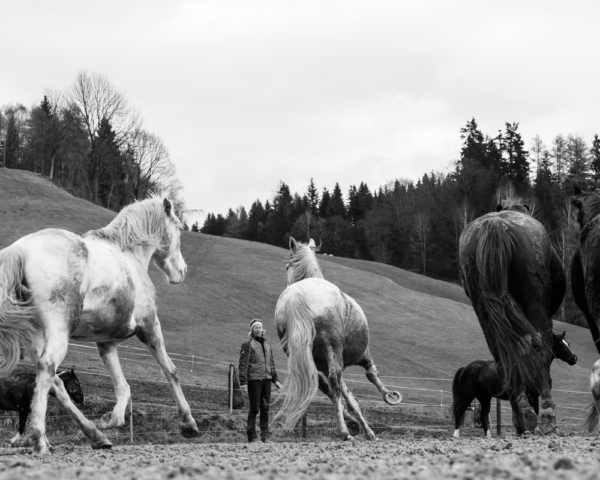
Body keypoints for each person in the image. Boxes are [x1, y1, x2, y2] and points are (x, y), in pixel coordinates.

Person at [238, 319, 282, 443]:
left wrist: (276, 380)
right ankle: (251, 437)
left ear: (263, 330)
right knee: (254, 408)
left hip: (267, 380)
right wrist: (243, 382)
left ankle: (265, 436)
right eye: (256, 327)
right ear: (251, 330)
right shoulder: (247, 345)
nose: (258, 329)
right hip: (254, 380)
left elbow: (271, 364)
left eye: (260, 327)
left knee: (265, 408)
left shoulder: (268, 346)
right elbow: (243, 365)